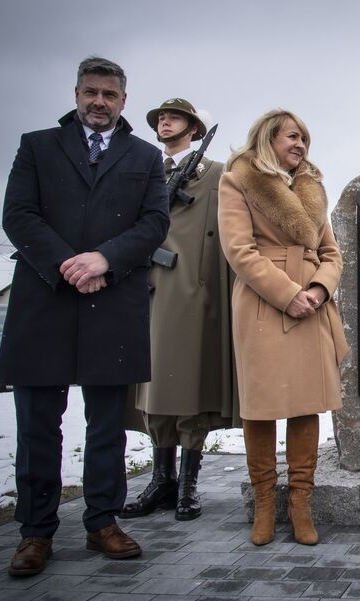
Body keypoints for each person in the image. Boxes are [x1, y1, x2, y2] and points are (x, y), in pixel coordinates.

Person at [0, 57, 169, 576]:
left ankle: (102, 522)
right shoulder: (37, 146)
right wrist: (69, 265)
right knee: (37, 426)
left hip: (111, 300)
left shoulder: (144, 156)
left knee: (106, 426)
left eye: (110, 95)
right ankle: (35, 531)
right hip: (44, 300)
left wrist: (104, 260)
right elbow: (18, 214)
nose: (100, 102)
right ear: (76, 94)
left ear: (124, 100)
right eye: (91, 92)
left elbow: (154, 221)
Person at [218, 109, 348, 546]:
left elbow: (332, 253)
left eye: (305, 140)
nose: (300, 145)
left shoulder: (311, 189)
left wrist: (317, 289)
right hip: (263, 300)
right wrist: (286, 293)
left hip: (310, 303)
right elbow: (238, 249)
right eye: (292, 137)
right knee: (261, 405)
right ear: (267, 138)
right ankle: (264, 506)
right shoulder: (238, 180)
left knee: (305, 403)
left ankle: (300, 506)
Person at [120, 98, 237, 522]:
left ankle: (187, 486)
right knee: (153, 387)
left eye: (175, 117)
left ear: (193, 128)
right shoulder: (143, 170)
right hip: (147, 288)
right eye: (159, 118)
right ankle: (162, 480)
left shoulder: (218, 173)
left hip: (195, 291)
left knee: (190, 386)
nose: (164, 122)